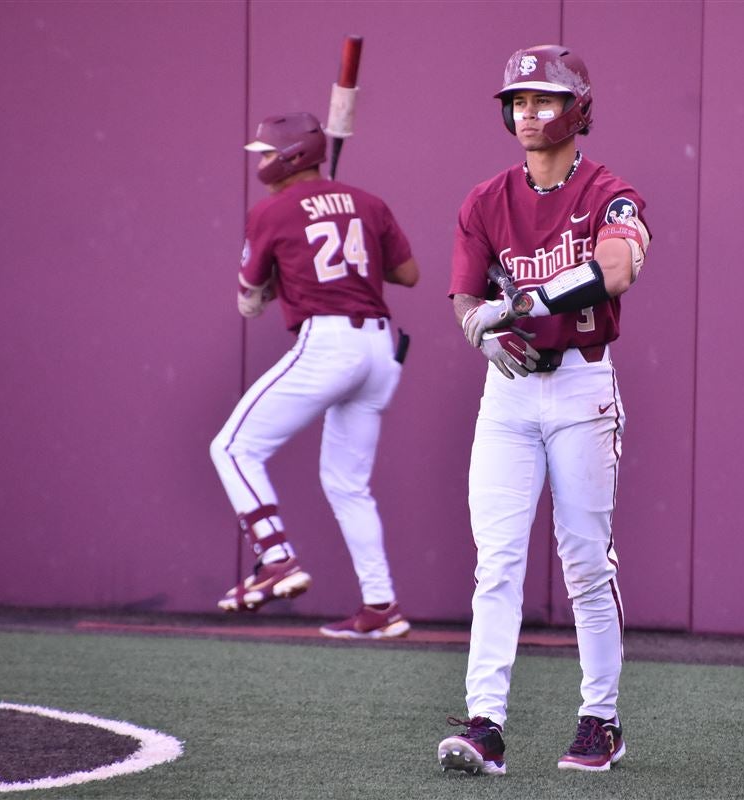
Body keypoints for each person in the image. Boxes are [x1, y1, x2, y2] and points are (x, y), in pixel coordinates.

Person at [437, 45, 650, 775]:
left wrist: (534, 298)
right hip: (509, 392)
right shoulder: (485, 198)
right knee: (496, 562)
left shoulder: (608, 190)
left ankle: (601, 720)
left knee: (585, 563)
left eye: (546, 99)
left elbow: (619, 266)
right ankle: (485, 724)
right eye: (520, 100)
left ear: (578, 109)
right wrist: (479, 334)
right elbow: (465, 295)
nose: (529, 112)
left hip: (582, 387)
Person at [209, 111, 418, 640]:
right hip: (380, 349)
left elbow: (249, 304)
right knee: (348, 484)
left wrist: (277, 279)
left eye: (265, 152)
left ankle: (275, 558)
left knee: (232, 448)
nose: (259, 160)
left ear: (287, 156)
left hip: (330, 344)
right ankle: (380, 606)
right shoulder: (368, 203)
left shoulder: (271, 212)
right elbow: (408, 275)